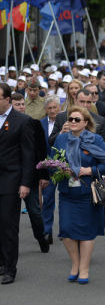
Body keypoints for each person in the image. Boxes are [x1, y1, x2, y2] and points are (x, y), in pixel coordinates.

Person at [52, 106, 105, 284]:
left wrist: (88, 170)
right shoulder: (61, 138)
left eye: (76, 119)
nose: (72, 122)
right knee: (66, 230)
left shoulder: (95, 139)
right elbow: (52, 161)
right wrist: (59, 170)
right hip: (67, 192)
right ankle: (75, 264)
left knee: (87, 232)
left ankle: (84, 268)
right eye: (70, 119)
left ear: (85, 122)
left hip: (87, 193)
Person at [0, 84, 35, 285]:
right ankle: (1, 262)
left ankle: (10, 268)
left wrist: (25, 183)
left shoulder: (23, 121)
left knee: (9, 225)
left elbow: (28, 155)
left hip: (11, 180)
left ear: (7, 100)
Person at [9, 94, 50, 253]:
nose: (21, 107)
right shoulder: (5, 124)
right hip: (10, 175)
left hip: (30, 175)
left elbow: (41, 150)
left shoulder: (33, 123)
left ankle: (41, 237)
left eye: (22, 104)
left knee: (34, 211)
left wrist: (44, 175)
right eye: (17, 104)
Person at [40, 95, 61, 242]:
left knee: (66, 200)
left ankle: (66, 230)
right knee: (47, 200)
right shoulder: (39, 124)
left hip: (65, 168)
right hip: (47, 168)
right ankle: (47, 231)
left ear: (59, 107)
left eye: (55, 107)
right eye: (50, 108)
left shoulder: (68, 121)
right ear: (45, 109)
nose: (53, 110)